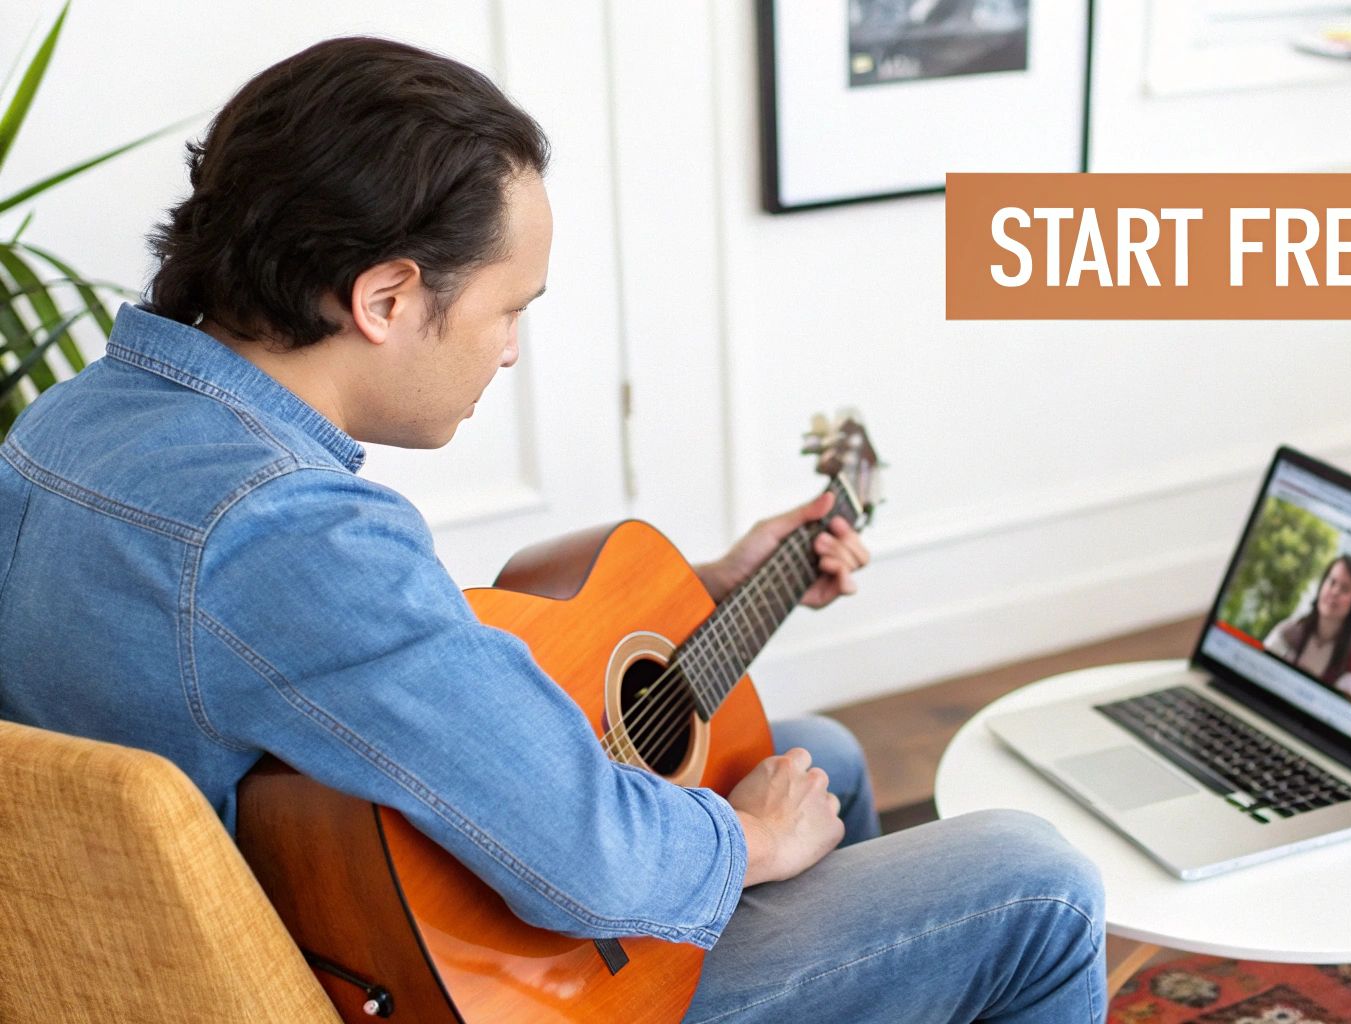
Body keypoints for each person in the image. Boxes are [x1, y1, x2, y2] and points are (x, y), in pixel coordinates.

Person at [0, 37, 1105, 1022]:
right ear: (385, 299)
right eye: (508, 308)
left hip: (244, 942)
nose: (512, 350)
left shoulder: (64, 427)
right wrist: (756, 840)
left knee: (822, 757)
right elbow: (595, 862)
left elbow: (382, 694)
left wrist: (711, 591)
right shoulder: (288, 533)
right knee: (1037, 882)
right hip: (424, 982)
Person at [1263, 555, 1351, 705]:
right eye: (1332, 582)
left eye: (1345, 589)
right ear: (1322, 585)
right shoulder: (1287, 632)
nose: (1334, 591)